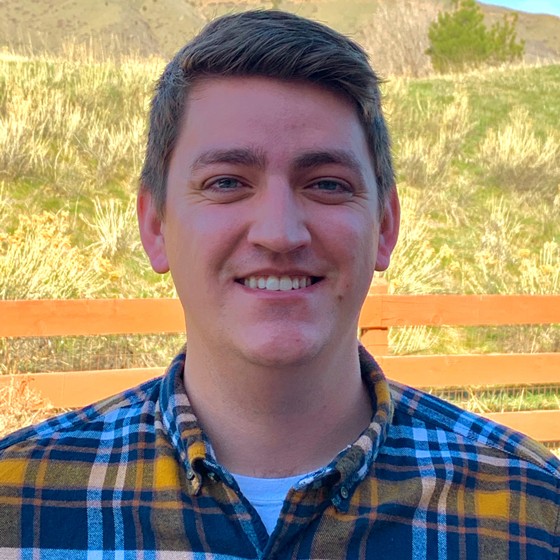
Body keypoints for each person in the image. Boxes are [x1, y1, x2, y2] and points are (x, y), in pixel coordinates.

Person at [0, 9, 559, 559]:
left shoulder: (533, 512)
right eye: (226, 182)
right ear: (155, 226)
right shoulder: (18, 501)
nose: (280, 232)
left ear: (384, 227)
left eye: (326, 184)